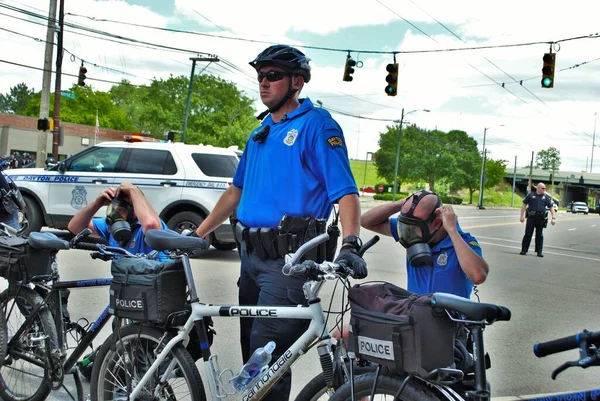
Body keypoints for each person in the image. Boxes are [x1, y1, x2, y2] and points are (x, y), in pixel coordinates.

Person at [194, 44, 367, 401]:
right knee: (253, 358)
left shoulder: (317, 126)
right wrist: (199, 233)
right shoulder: (259, 133)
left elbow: (346, 192)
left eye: (273, 76)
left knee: (266, 352)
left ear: (297, 82)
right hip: (252, 259)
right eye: (260, 76)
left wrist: (350, 243)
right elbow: (234, 193)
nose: (263, 83)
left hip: (290, 262)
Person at [361, 190, 488, 299]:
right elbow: (365, 221)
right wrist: (404, 203)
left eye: (413, 229)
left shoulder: (462, 242)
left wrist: (452, 231)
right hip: (417, 318)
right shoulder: (411, 230)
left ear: (436, 223)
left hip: (452, 323)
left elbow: (478, 276)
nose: (407, 235)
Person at [67, 182, 169, 261]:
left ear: (135, 211)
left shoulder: (152, 225)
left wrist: (133, 190)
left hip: (153, 283)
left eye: (121, 210)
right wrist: (97, 203)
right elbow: (75, 227)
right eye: (113, 209)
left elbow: (150, 226)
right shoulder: (112, 225)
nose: (115, 214)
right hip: (126, 282)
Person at [519, 182, 555, 257]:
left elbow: (551, 208)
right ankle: (524, 250)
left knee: (539, 235)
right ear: (538, 188)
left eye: (544, 188)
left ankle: (539, 252)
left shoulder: (546, 198)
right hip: (531, 218)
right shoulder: (530, 195)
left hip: (540, 218)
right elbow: (524, 205)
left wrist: (553, 218)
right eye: (543, 188)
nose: (544, 190)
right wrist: (521, 216)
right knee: (528, 234)